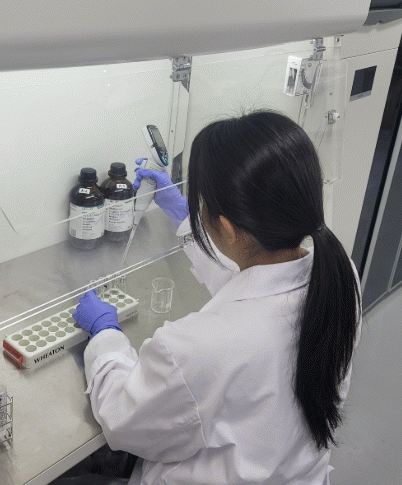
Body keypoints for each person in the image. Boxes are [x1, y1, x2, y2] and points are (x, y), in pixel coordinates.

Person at [73, 110, 362, 485]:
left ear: (227, 228)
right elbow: (258, 283)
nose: (200, 211)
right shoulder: (338, 276)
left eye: (202, 205)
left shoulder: (196, 347)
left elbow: (124, 422)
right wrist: (187, 219)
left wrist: (105, 338)